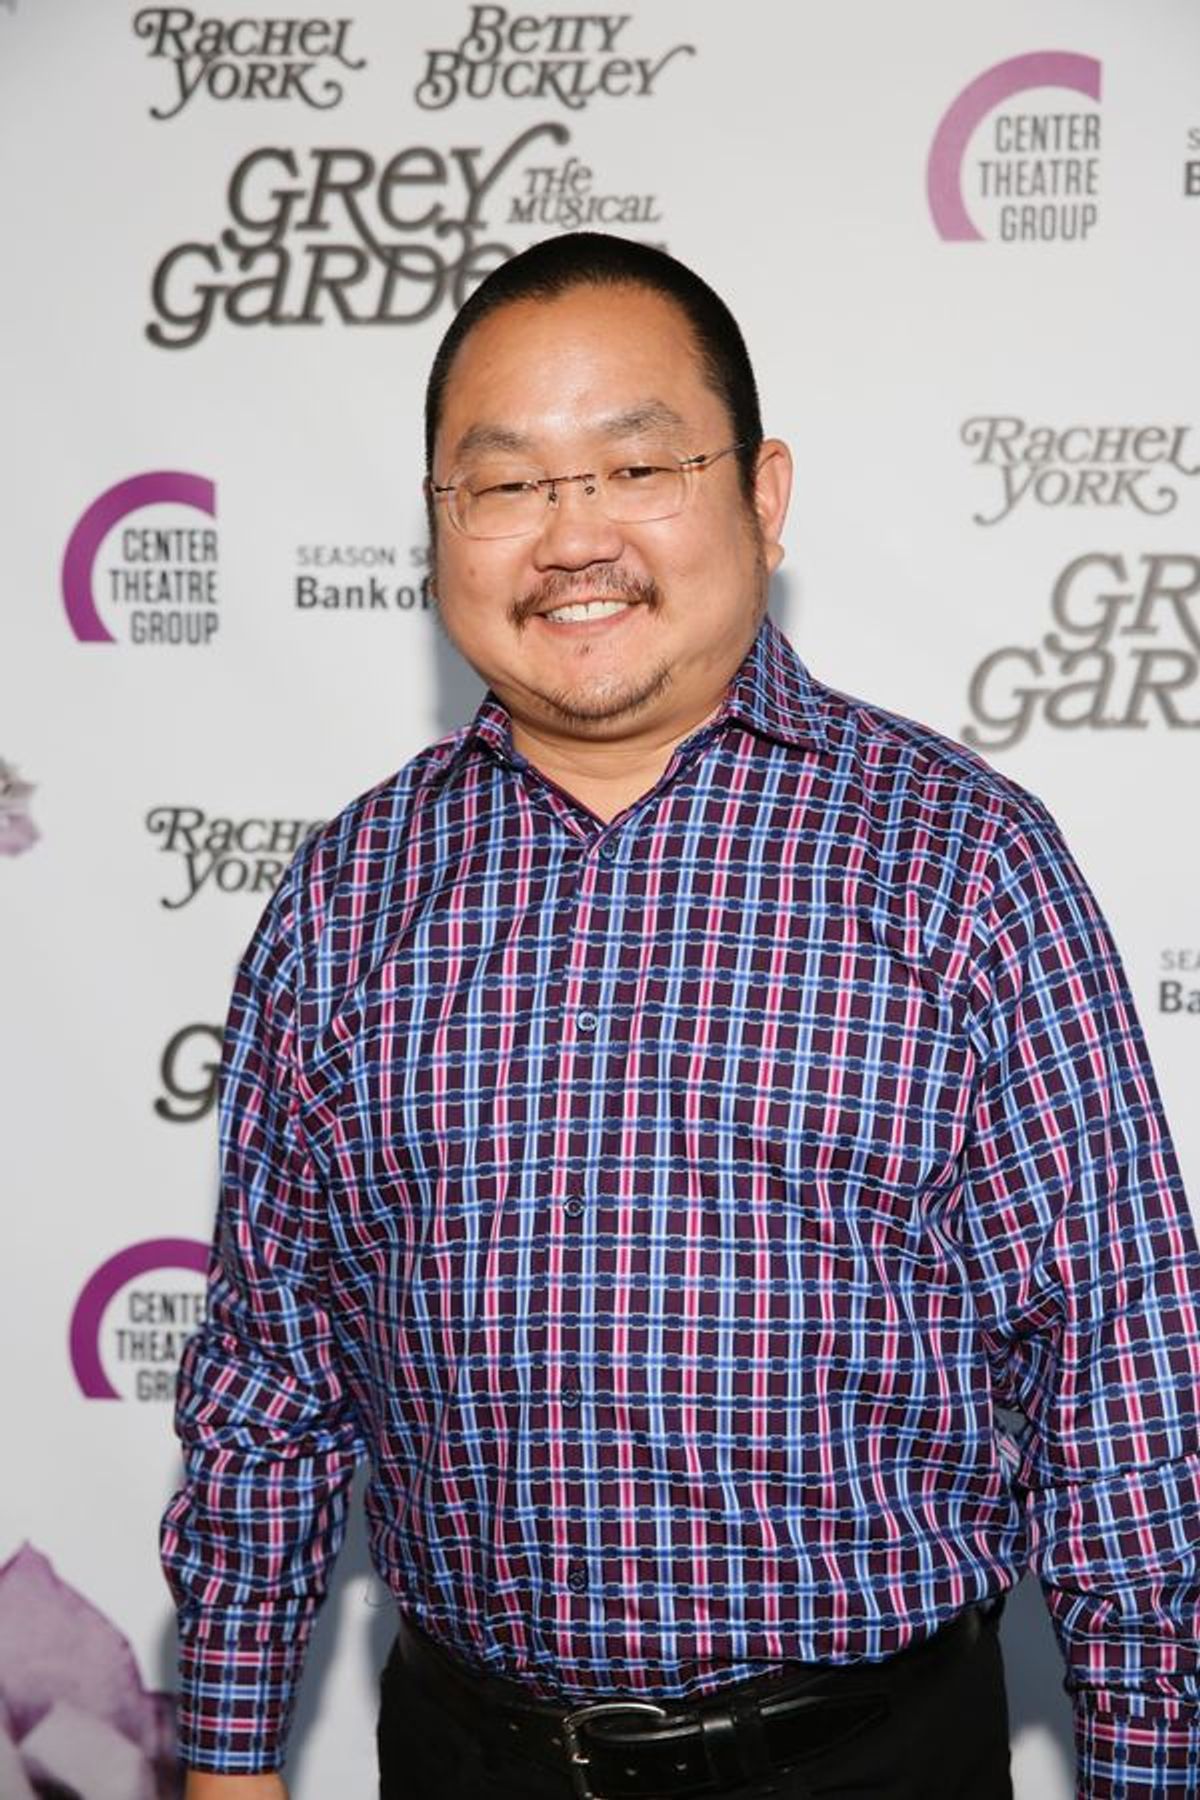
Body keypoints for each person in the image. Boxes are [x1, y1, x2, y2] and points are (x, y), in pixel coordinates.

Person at [163, 232, 1200, 1800]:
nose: (573, 535)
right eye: (505, 484)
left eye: (638, 465)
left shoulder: (962, 865)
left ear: (763, 496)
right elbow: (269, 1375)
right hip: (465, 1759)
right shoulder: (348, 898)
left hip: (862, 1765)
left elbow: (1118, 1382)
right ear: (440, 524)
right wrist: (232, 1758)